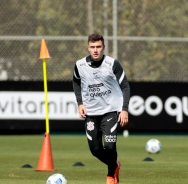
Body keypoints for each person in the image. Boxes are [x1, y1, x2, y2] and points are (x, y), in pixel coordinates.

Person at [72, 33, 130, 184]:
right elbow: (76, 82)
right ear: (88, 47)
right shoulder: (79, 65)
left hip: (110, 111)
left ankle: (111, 174)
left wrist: (124, 109)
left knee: (110, 146)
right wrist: (80, 103)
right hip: (90, 113)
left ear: (103, 47)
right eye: (92, 47)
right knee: (95, 150)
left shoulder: (112, 64)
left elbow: (125, 86)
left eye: (98, 47)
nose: (95, 50)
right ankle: (115, 165)